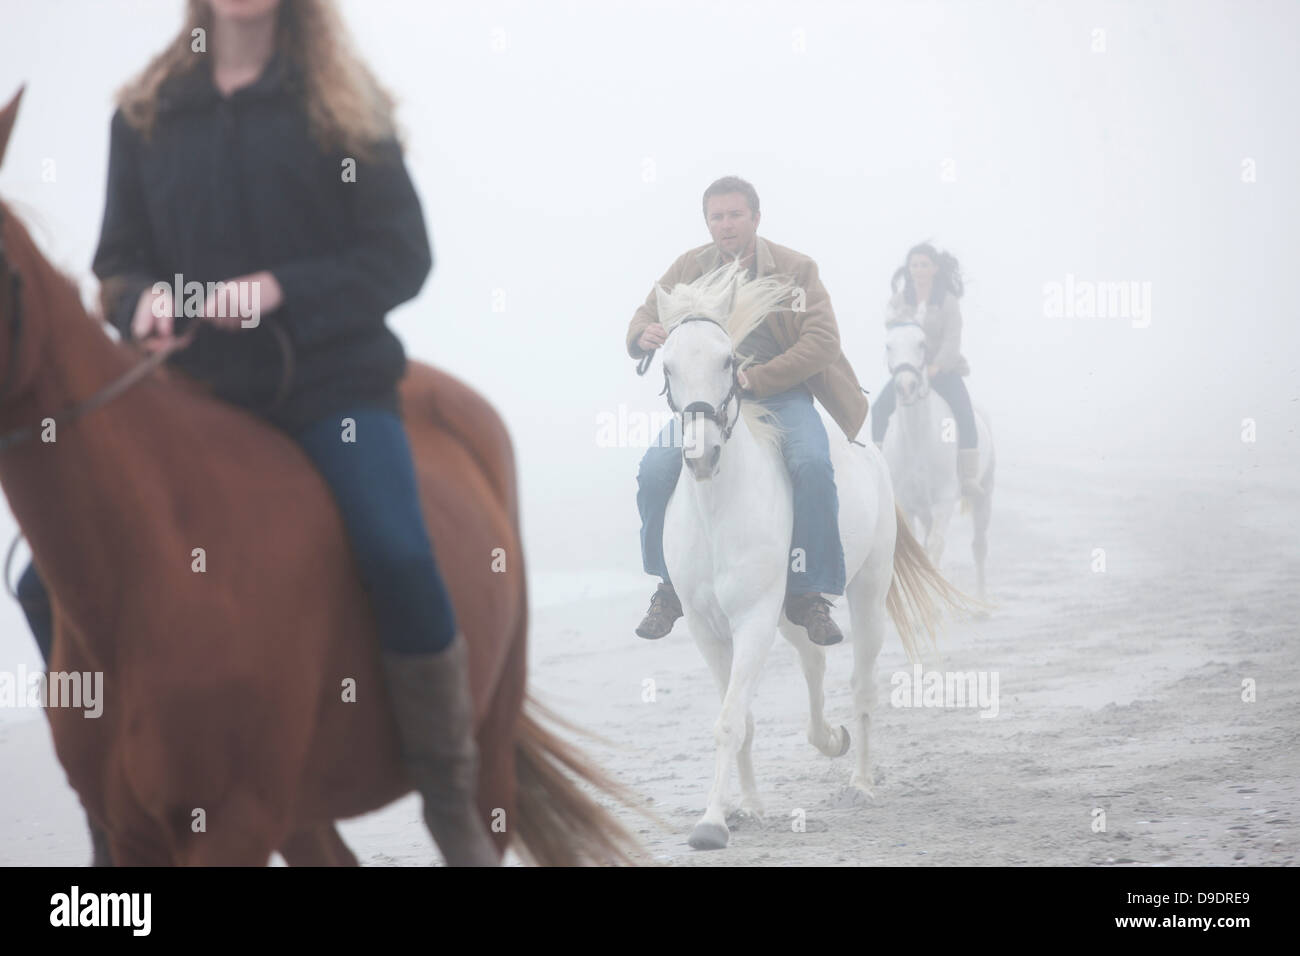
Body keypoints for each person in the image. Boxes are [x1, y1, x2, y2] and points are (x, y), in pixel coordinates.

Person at [16, 0, 496, 865]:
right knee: (45, 583)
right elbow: (116, 260)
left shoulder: (347, 107)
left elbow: (401, 255)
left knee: (395, 548)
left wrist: (279, 290)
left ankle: (448, 788)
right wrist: (139, 301)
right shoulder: (143, 114)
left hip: (332, 388)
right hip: (196, 397)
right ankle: (109, 801)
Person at [627, 176, 869, 646]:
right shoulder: (690, 267)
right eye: (716, 216)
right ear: (707, 222)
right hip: (709, 402)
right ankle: (669, 587)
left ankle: (809, 591)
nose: (726, 224)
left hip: (779, 394)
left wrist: (758, 378)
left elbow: (822, 342)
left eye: (735, 214)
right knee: (654, 469)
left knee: (813, 465)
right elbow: (645, 312)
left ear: (756, 217)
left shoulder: (797, 270)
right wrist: (643, 335)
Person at [870, 242, 981, 496]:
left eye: (924, 265)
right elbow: (894, 333)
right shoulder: (899, 300)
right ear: (908, 269)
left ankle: (969, 477)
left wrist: (937, 366)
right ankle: (878, 472)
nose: (919, 270)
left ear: (935, 268)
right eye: (914, 265)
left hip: (943, 370)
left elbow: (952, 340)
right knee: (878, 410)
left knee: (964, 412)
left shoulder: (948, 302)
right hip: (910, 371)